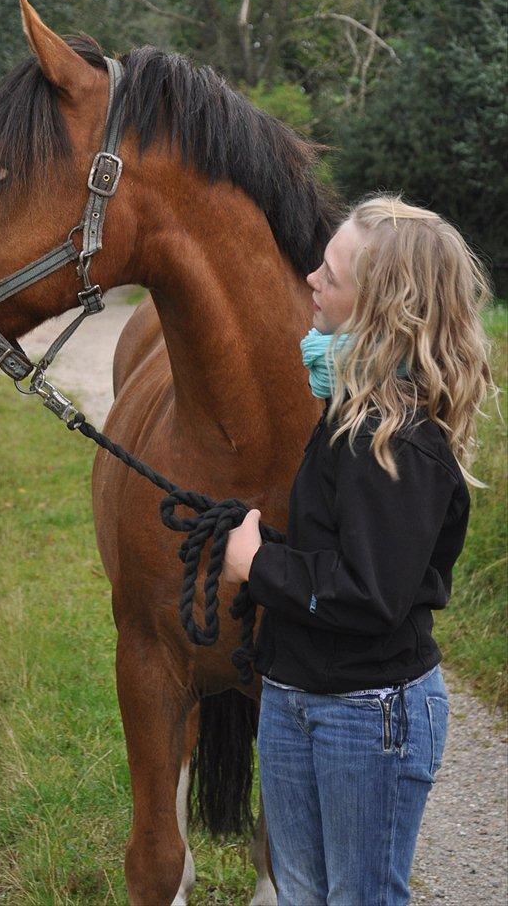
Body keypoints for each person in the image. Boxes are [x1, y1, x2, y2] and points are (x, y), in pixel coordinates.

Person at [224, 193, 498, 906]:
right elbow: (339, 550)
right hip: (295, 694)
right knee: (301, 894)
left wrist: (258, 564)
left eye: (333, 275)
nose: (311, 278)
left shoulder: (399, 442)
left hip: (367, 714)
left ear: (381, 309)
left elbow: (368, 595)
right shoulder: (348, 409)